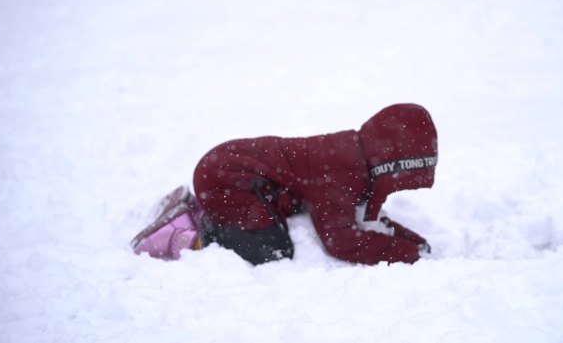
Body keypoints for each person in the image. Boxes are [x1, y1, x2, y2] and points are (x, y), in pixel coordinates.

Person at [132, 103, 437, 265]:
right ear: (393, 164)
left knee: (264, 226)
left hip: (225, 167)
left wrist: (412, 241)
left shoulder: (354, 155)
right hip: (227, 178)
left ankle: (196, 206)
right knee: (270, 250)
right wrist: (407, 253)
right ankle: (186, 236)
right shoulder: (341, 174)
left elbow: (365, 218)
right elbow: (342, 241)